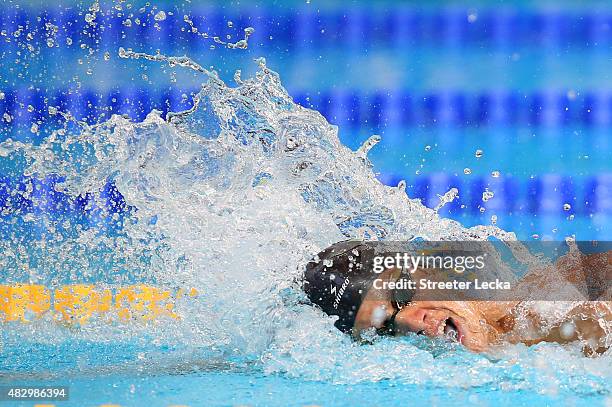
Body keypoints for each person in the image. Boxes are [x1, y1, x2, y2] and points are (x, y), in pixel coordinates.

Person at [303, 240, 611, 355]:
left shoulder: (559, 310)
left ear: (426, 270)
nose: (413, 322)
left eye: (401, 295)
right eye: (383, 329)